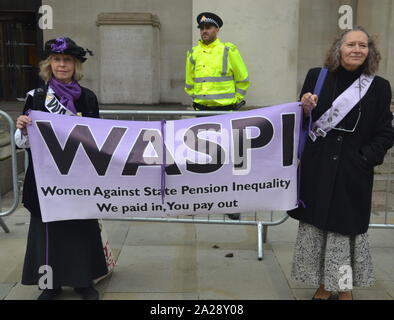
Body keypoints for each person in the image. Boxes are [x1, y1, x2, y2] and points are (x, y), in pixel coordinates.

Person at [288, 27, 394, 300]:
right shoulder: (317, 76)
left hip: (352, 171)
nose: (357, 50)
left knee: (345, 236)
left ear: (370, 51)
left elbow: (386, 131)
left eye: (362, 45)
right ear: (339, 48)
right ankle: (323, 285)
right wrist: (306, 108)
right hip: (319, 168)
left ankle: (344, 288)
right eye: (351, 45)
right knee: (319, 231)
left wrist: (366, 158)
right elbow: (301, 120)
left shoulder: (379, 86)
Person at [15, 37, 108, 300]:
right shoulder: (36, 97)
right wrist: (22, 126)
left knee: (80, 228)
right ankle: (50, 285)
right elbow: (23, 143)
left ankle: (83, 282)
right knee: (48, 232)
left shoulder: (88, 98)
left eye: (67, 60)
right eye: (57, 60)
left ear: (76, 66)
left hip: (78, 177)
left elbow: (99, 138)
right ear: (49, 64)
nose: (62, 65)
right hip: (46, 179)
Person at [184, 12, 250, 220]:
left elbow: (243, 79)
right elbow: (189, 83)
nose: (205, 31)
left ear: (217, 30)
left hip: (225, 113)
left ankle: (231, 203)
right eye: (202, 28)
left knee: (228, 158)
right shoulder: (193, 53)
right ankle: (198, 200)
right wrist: (195, 99)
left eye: (209, 27)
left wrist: (236, 101)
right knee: (200, 159)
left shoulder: (228, 50)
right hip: (201, 113)